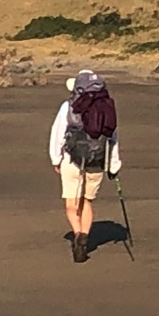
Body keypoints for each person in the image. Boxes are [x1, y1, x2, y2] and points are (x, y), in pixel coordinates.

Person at [48, 69, 120, 262]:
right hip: (96, 161)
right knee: (86, 201)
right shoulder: (107, 108)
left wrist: (56, 159)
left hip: (72, 160)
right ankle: (85, 236)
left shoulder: (68, 106)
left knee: (71, 204)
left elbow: (58, 134)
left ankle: (78, 233)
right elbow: (112, 138)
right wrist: (113, 165)